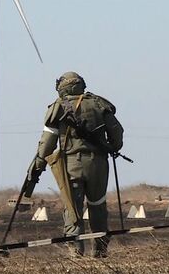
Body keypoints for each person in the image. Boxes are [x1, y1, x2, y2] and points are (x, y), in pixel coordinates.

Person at [28, 71, 124, 257]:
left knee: (72, 207)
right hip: (98, 165)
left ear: (61, 88)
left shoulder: (58, 108)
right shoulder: (99, 104)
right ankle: (100, 249)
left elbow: (48, 142)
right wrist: (112, 147)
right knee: (97, 205)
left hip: (71, 166)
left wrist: (39, 163)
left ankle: (75, 251)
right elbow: (117, 132)